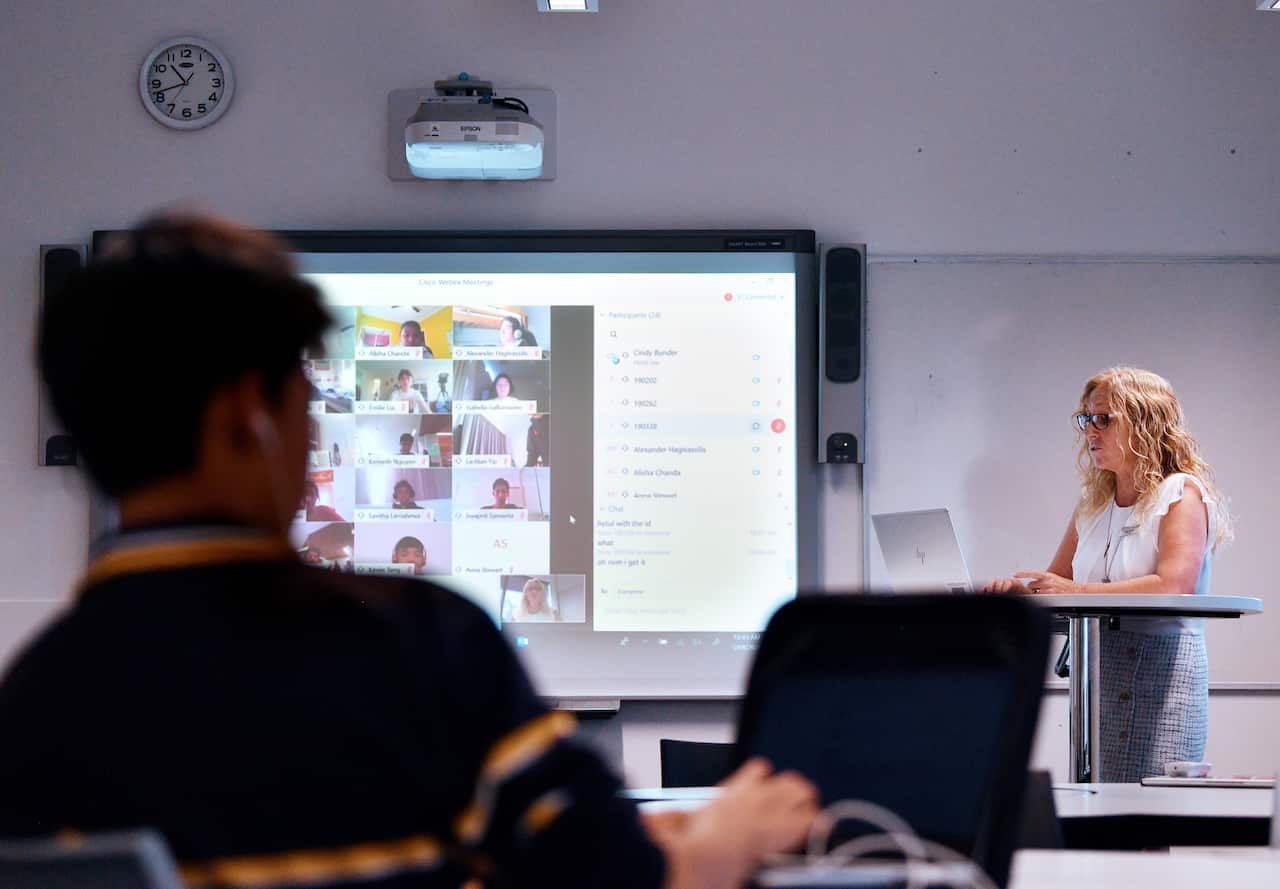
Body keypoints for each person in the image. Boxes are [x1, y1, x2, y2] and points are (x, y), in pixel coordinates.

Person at [0, 212, 819, 889]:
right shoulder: (423, 645)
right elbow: (619, 880)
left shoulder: (33, 702)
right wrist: (727, 836)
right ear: (248, 412)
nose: (313, 430)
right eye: (303, 397)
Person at [985, 366, 1232, 782]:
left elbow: (1175, 585)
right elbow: (1056, 582)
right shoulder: (1093, 503)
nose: (1090, 432)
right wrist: (1017, 592)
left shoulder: (1182, 493)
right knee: (1099, 816)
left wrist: (1075, 588)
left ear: (1144, 423)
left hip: (1162, 675)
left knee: (1150, 822)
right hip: (1099, 672)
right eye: (1086, 419)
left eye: (1104, 419)